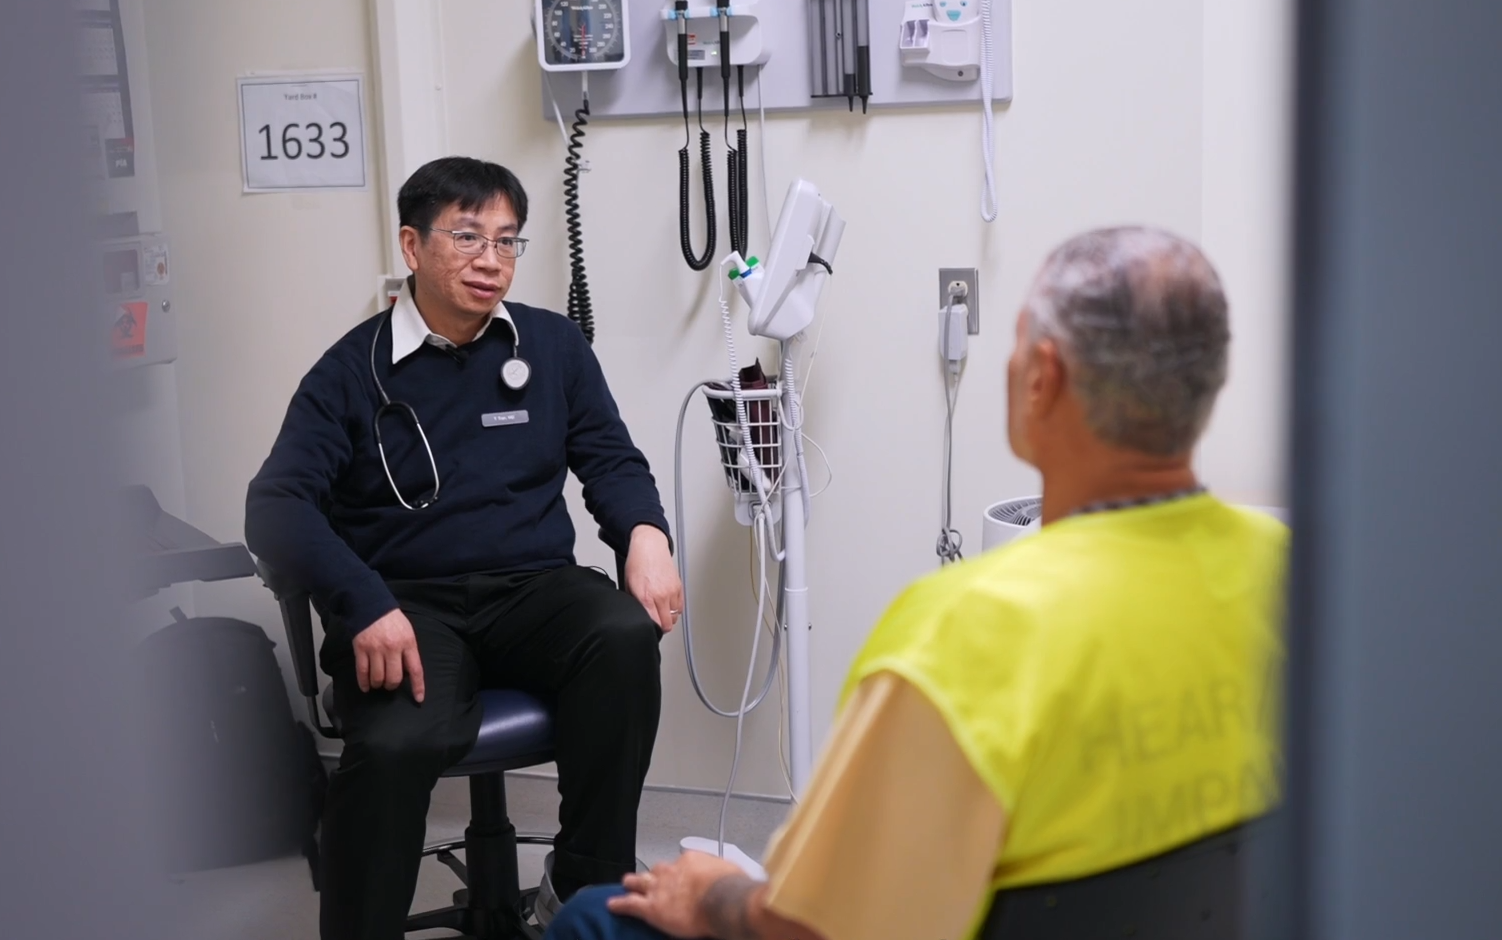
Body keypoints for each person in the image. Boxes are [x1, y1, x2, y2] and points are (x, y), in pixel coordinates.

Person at [544, 227, 1287, 940]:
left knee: (592, 918)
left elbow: (812, 925)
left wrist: (715, 897)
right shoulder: (1297, 572)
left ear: (1044, 378)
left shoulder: (968, 628)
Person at [244, 156, 684, 940]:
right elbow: (275, 505)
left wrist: (645, 533)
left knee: (621, 634)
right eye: (469, 236)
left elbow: (611, 459)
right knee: (395, 744)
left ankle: (585, 893)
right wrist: (363, 600)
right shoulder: (351, 372)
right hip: (407, 604)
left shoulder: (550, 347)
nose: (492, 261)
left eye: (509, 241)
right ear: (412, 247)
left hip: (534, 590)